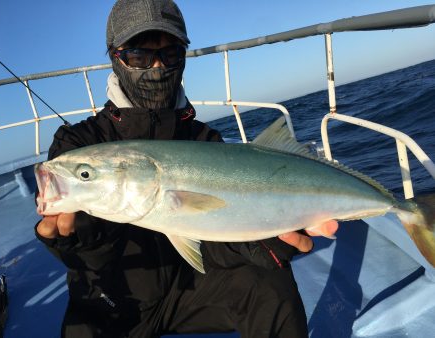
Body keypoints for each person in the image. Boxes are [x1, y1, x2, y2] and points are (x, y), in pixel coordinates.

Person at [35, 0, 338, 337]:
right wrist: (81, 239)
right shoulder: (79, 143)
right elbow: (85, 259)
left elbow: (215, 237)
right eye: (138, 55)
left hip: (190, 289)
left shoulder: (202, 138)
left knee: (269, 278)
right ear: (115, 57)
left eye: (171, 54)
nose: (156, 67)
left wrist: (256, 240)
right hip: (111, 305)